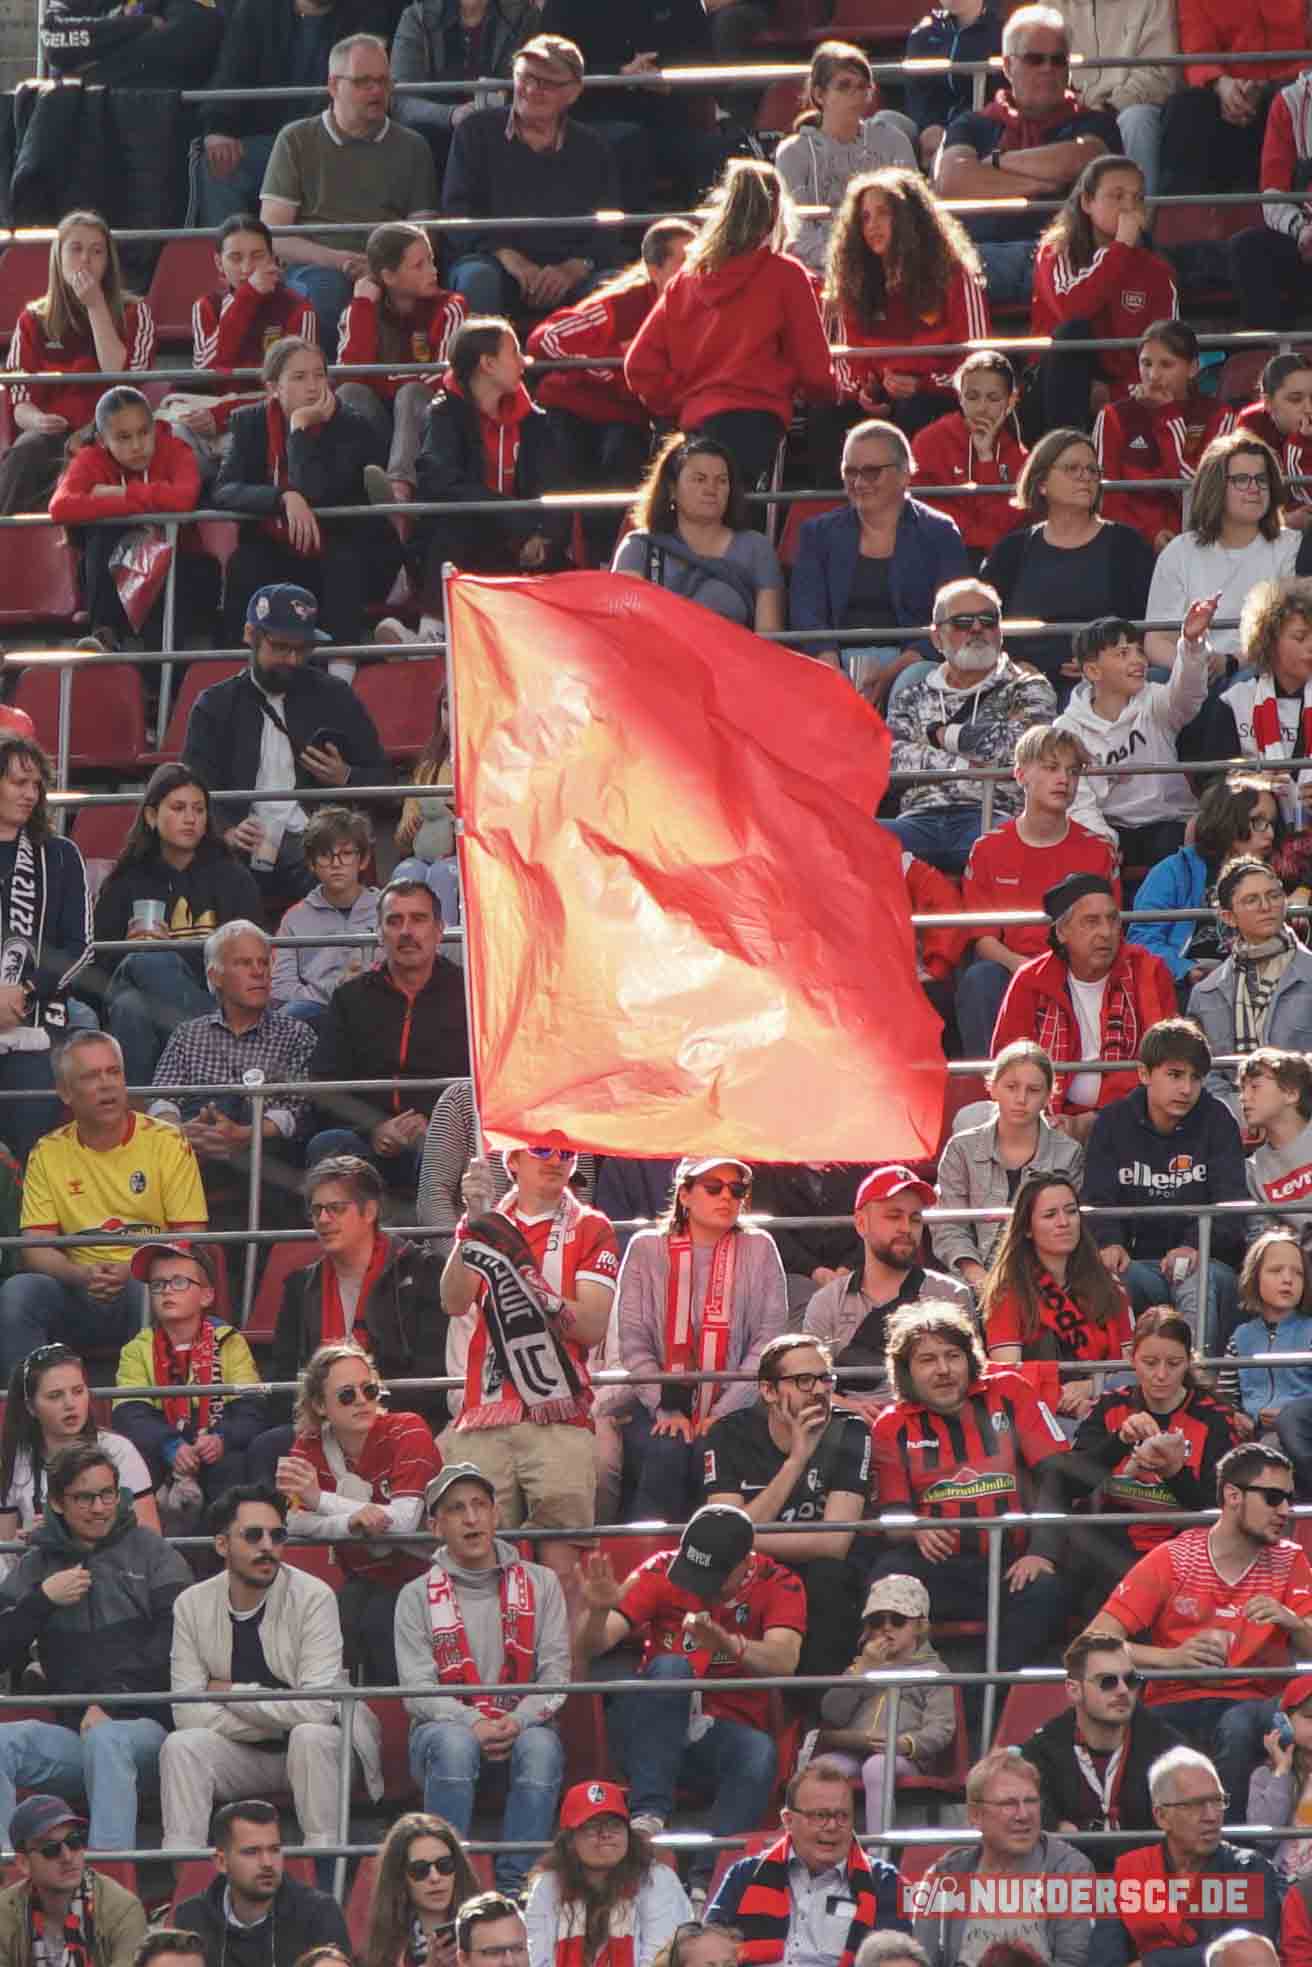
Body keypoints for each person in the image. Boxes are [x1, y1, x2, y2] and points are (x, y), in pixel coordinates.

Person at [576, 1505, 806, 1896]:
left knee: (759, 1753)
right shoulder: (661, 1568)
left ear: (744, 1562)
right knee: (671, 1668)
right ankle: (647, 1818)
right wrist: (596, 1613)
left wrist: (730, 1645)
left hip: (714, 1738)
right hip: (649, 1726)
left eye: (711, 1576)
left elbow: (785, 1660)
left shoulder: (779, 1582)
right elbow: (592, 1645)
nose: (697, 1585)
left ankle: (709, 1882)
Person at [160, 1482, 383, 1854]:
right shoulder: (191, 1605)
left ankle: (325, 1877)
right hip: (247, 1752)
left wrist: (232, 1694)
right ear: (221, 1545)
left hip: (326, 1748)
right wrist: (269, 1723)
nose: (267, 1546)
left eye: (277, 1535)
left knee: (309, 1736)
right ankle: (185, 1891)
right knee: (181, 1746)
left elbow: (318, 1708)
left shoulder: (314, 1597)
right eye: (252, 1535)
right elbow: (187, 1713)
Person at [1087, 1442, 1312, 1809]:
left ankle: (1235, 1852)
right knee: (1141, 1735)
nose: (1285, 1511)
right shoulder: (1174, 1557)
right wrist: (1170, 1658)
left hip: (1257, 1704)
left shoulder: (1291, 1559)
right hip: (1175, 1700)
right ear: (1233, 1496)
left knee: (1239, 1724)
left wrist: (1294, 1624)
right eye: (1273, 1498)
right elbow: (1092, 1646)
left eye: (1288, 1498)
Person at [440, 1141, 617, 1604]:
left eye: (567, 1152)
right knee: (477, 1568)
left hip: (558, 1417)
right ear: (511, 1161)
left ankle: (565, 1679)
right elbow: (453, 1300)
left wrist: (526, 1282)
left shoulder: (592, 1226)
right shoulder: (485, 1221)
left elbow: (594, 1324)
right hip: (487, 1412)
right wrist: (471, 1227)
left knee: (563, 1573)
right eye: (542, 1149)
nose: (557, 1161)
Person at [0, 1441, 191, 1850]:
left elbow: (177, 1641)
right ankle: (7, 1886)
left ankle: (110, 1890)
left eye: (108, 1494)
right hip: (75, 1737)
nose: (101, 1507)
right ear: (56, 1503)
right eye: (85, 1497)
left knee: (107, 1740)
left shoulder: (151, 1551)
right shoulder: (37, 1565)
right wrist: (41, 1602)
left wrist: (112, 1701)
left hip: (150, 1732)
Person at [396, 1462, 569, 1895]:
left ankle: (517, 1886)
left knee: (542, 1745)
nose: (471, 1518)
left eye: (479, 1506)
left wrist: (521, 1719)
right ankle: (448, 1883)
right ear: (437, 1527)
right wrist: (471, 1723)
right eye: (456, 1509)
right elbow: (417, 1693)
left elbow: (556, 1674)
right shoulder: (415, 1596)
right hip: (444, 1737)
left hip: (522, 1730)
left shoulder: (543, 1583)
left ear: (496, 1515)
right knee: (455, 1745)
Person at [869, 1303, 1073, 1668]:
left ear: (971, 1359)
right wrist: (916, 1529)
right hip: (940, 1568)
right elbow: (892, 1512)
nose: (944, 1370)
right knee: (886, 1577)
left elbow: (1056, 1475)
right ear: (906, 1372)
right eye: (927, 1360)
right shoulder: (891, 1425)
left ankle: (986, 1695)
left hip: (1011, 1563)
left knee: (1048, 1590)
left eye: (953, 1356)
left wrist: (1041, 1552)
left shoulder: (1011, 1391)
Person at [0, 1031, 206, 1379]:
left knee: (152, 1287)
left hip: (144, 1283)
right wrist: (79, 1274)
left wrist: (132, 1268)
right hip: (75, 1288)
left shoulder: (168, 1142)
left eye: (114, 1073)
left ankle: (150, 1407)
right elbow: (35, 1248)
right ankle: (28, 1414)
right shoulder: (47, 1152)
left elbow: (191, 1235)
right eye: (91, 1077)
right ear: (66, 1093)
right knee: (20, 1292)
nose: (107, 1085)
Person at [624, 157, 835, 491]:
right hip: (757, 422)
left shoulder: (686, 280)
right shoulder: (786, 274)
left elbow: (639, 365)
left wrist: (680, 401)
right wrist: (824, 395)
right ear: (776, 214)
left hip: (694, 426)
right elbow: (816, 371)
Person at [182, 583, 391, 906]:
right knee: (222, 879)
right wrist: (225, 832)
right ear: (250, 635)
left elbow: (385, 781)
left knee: (328, 865)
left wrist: (346, 777)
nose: (292, 659)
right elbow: (193, 788)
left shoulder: (335, 696)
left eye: (302, 649)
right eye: (280, 647)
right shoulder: (215, 705)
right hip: (242, 843)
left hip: (316, 840)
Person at [254, 1155, 452, 1484]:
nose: (323, 1219)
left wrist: (360, 1410)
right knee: (265, 1447)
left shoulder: (422, 1272)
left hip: (398, 1416)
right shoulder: (301, 1286)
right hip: (322, 1422)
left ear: (369, 1211)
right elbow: (286, 1371)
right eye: (317, 1210)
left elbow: (432, 1372)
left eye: (336, 1209)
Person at [616, 1156, 788, 1523]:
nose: (727, 1197)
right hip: (656, 1406)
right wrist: (666, 1409)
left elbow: (768, 1342)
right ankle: (647, 1567)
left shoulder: (760, 1247)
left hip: (739, 1407)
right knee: (667, 1450)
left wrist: (722, 1412)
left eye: (737, 1190)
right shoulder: (646, 1248)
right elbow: (632, 1343)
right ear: (684, 1195)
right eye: (713, 1188)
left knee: (711, 1450)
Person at [214, 335, 406, 657]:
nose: (314, 386)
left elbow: (316, 493)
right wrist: (283, 498)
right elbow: (224, 490)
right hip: (279, 544)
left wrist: (300, 429)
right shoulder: (248, 422)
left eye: (319, 375)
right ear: (273, 387)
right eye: (300, 377)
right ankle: (236, 662)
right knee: (246, 563)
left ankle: (343, 665)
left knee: (341, 557)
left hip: (341, 543)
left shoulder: (351, 426)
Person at [701, 1330, 872, 1677]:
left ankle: (814, 1714)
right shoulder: (728, 1434)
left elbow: (834, 1542)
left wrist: (745, 1537)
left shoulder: (850, 1431)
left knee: (831, 1576)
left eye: (826, 1379)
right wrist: (797, 1460)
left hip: (817, 1572)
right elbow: (724, 1539)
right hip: (747, 1573)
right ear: (768, 1390)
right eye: (804, 1380)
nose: (821, 1390)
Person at [526, 219, 695, 564]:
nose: (695, 273)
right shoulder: (622, 304)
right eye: (685, 263)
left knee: (625, 458)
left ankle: (606, 563)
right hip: (572, 404)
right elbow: (546, 338)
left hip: (627, 414)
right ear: (653, 269)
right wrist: (616, 369)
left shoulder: (701, 309)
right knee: (572, 460)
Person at [148, 919, 317, 1262]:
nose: (259, 972)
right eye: (244, 963)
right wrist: (182, 1132)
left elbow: (299, 1109)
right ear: (215, 977)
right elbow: (162, 1099)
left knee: (254, 1112)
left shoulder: (297, 1034)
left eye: (263, 963)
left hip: (264, 1153)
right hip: (194, 1151)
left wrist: (246, 1133)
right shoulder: (188, 1034)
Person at [259, 33, 439, 352]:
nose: (376, 91)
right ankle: (332, 390)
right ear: (333, 86)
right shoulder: (296, 140)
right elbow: (274, 235)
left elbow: (425, 233)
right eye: (363, 82)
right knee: (327, 291)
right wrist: (339, 261)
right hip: (317, 267)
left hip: (392, 269)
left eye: (384, 81)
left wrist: (385, 270)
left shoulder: (413, 146)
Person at [932, 3, 1119, 307]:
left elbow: (1081, 160)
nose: (1048, 68)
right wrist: (1046, 184)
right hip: (985, 256)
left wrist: (995, 163)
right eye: (1034, 59)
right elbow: (952, 181)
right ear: (1007, 66)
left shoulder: (1095, 122)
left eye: (1058, 60)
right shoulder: (973, 124)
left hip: (1071, 257)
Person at [277, 1339, 440, 1682]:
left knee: (381, 1620)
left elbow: (406, 1520)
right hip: (362, 1576)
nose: (363, 1401)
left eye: (369, 1389)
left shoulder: (408, 1428)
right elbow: (295, 1521)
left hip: (423, 1572)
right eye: (347, 1395)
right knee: (334, 1622)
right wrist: (349, 1522)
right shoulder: (306, 1445)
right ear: (321, 1405)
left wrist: (321, 1501)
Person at [91, 764, 263, 1087]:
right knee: (130, 1001)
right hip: (151, 1006)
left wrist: (156, 960)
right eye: (179, 808)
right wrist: (126, 950)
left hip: (213, 1000)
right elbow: (98, 971)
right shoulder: (125, 882)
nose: (191, 818)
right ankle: (210, 1058)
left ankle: (144, 1114)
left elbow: (251, 957)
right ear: (151, 816)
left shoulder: (233, 878)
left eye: (199, 810)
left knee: (140, 985)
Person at [956, 725, 1117, 1058]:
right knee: (980, 978)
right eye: (1050, 767)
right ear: (1020, 774)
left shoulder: (1098, 850)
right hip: (1011, 967)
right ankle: (993, 1088)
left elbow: (1107, 931)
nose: (1064, 779)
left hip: (1077, 967)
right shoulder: (987, 849)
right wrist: (1025, 968)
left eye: (1072, 772)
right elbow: (983, 940)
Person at [881, 577, 1057, 875]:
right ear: (937, 638)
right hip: (917, 818)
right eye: (962, 622)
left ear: (1000, 632)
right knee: (846, 841)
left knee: (1016, 848)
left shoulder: (1029, 688)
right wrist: (968, 761)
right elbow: (892, 758)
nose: (977, 629)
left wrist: (940, 737)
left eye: (987, 620)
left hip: (993, 814)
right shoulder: (912, 695)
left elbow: (1025, 751)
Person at [1084, 1015, 1247, 1332]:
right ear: (1144, 1073)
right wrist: (1109, 1243)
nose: (1186, 1088)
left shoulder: (1219, 1120)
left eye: (1195, 1078)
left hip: (1206, 1267)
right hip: (1136, 1265)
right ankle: (1120, 1380)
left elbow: (1232, 1208)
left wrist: (1194, 1247)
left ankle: (1196, 1377)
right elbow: (1095, 1200)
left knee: (1195, 1280)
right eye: (1174, 1075)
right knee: (1103, 1277)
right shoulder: (1112, 1122)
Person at [441, 33, 619, 319]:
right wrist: (509, 257)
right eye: (525, 77)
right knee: (477, 277)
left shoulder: (593, 147)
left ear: (573, 92)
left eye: (546, 83)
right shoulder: (475, 132)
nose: (531, 89)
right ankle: (480, 363)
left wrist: (574, 268)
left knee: (612, 287)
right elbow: (457, 214)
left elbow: (609, 227)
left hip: (567, 271)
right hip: (495, 262)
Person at [990, 872, 1179, 1141]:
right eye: (1091, 922)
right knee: (971, 1117)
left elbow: (1164, 1058)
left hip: (1132, 1113)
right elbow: (1007, 1062)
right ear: (1062, 932)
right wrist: (1047, 1116)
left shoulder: (1148, 971)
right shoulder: (1032, 979)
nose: (1106, 932)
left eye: (1112, 920)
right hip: (1045, 1115)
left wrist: (1096, 1119)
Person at [307, 877, 470, 1187]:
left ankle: (437, 1235)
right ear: (380, 934)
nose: (407, 931)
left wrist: (434, 1124)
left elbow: (483, 1086)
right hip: (366, 1140)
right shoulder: (350, 998)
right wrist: (374, 1128)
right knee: (328, 1144)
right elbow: (324, 1087)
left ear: (439, 930)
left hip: (443, 1137)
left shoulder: (470, 994)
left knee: (449, 1147)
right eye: (395, 921)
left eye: (419, 919)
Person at [788, 420, 969, 689]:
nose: (859, 482)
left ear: (905, 474)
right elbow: (807, 613)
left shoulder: (940, 532)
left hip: (913, 663)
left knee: (912, 683)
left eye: (872, 472)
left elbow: (953, 616)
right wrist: (831, 669)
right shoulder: (817, 533)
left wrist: (892, 673)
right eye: (850, 472)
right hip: (833, 660)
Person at [981, 428, 1157, 697]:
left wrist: (1103, 660)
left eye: (1092, 470)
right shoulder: (1012, 551)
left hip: (1103, 683)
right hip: (1023, 681)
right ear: (1042, 483)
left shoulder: (1126, 545)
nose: (1084, 477)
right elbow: (984, 623)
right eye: (1072, 468)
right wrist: (1014, 665)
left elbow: (1146, 625)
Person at [0, 211, 155, 515]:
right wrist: (37, 420)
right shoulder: (33, 318)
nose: (85, 259)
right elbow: (20, 398)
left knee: (86, 467)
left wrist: (96, 306)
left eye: (97, 251)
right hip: (50, 434)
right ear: (58, 256)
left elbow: (122, 380)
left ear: (108, 261)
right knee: (26, 453)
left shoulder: (136, 312)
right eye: (76, 249)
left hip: (111, 435)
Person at [411, 315, 570, 610]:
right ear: (488, 364)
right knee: (451, 527)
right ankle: (432, 627)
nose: (525, 362)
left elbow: (554, 487)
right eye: (514, 353)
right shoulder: (444, 414)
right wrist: (516, 522)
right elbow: (439, 480)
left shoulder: (534, 420)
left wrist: (541, 536)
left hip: (519, 546)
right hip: (469, 539)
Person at [1071, 1307, 1242, 1579]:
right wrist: (1120, 1440)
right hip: (1111, 1552)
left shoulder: (1215, 1419)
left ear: (1188, 1361)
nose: (1161, 1375)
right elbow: (1071, 1482)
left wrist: (1174, 1473)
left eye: (1173, 1364)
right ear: (1132, 1359)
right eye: (1150, 1363)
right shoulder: (1111, 1405)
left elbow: (1223, 1510)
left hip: (1189, 1555)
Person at [825, 166, 992, 444]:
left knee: (915, 409)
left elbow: (980, 364)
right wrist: (866, 391)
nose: (872, 226)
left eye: (883, 213)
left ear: (909, 218)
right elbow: (846, 365)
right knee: (827, 412)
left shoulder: (955, 275)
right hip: (881, 401)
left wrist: (922, 385)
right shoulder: (853, 281)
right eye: (864, 218)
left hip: (938, 398)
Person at [48, 387, 220, 652]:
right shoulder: (90, 458)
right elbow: (60, 507)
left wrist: (119, 494)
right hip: (115, 576)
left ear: (154, 427)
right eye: (124, 437)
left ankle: (162, 685)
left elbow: (183, 498)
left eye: (144, 433)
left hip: (178, 571)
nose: (138, 445)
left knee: (171, 576)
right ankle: (104, 635)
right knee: (103, 533)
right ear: (104, 441)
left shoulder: (176, 449)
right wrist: (147, 505)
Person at [197, 0, 391, 230]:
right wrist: (218, 128)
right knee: (216, 163)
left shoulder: (370, 13)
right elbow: (231, 69)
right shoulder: (256, 9)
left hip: (332, 145)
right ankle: (236, 257)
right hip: (269, 144)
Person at [114, 1240, 267, 1523]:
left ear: (207, 1296)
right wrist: (170, 1446)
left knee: (234, 1469)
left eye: (179, 1282)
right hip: (164, 1448)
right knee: (134, 1465)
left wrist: (222, 1439)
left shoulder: (230, 1342)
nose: (167, 1290)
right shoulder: (137, 1349)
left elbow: (252, 1410)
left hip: (217, 1447)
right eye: (158, 1284)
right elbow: (129, 1414)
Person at [1089, 1747, 1283, 1967]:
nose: (1211, 1816)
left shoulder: (1249, 1868)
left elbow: (1248, 1957)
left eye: (1217, 1801)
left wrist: (1151, 1964)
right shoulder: (1130, 1872)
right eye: (1196, 1805)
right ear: (1162, 1816)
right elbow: (1102, 1961)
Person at [804, 1164, 972, 1413]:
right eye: (894, 1216)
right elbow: (806, 1384)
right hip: (849, 1430)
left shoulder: (952, 1296)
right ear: (861, 1223)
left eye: (915, 1219)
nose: (906, 1227)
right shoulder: (826, 1301)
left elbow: (968, 1382)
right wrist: (850, 1408)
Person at [1058, 601, 1217, 864]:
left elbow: (1189, 694)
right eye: (1122, 654)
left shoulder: (1154, 701)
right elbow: (1079, 803)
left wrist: (1192, 643)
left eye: (1139, 652)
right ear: (1092, 670)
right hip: (1109, 827)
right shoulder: (1067, 728)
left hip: (1169, 821)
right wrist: (1103, 843)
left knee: (1172, 849)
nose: (1138, 661)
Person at [1030, 156, 1178, 435]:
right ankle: (1064, 452)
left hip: (1125, 392)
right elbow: (1071, 311)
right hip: (1052, 390)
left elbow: (1169, 346)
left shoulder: (1157, 270)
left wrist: (1113, 393)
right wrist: (1119, 248)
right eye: (1116, 196)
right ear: (1087, 202)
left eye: (1137, 197)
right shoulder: (1056, 252)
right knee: (1073, 331)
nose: (1128, 206)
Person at [910, 1750, 1095, 1967]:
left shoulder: (1070, 1870)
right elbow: (923, 1961)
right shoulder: (944, 1875)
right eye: (1008, 1804)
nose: (1023, 1815)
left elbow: (1073, 1962)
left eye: (1031, 1801)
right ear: (975, 1815)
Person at [0, 735, 92, 1159]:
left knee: (28, 1161)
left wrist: (25, 989)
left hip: (35, 1028)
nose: (30, 794)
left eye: (36, 784)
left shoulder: (59, 854)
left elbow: (81, 948)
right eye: (19, 782)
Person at [1022, 1632, 1186, 1866]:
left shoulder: (1168, 1748)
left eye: (1130, 1680)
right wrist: (1052, 1825)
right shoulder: (1043, 1750)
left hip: (1150, 1884)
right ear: (1074, 1690)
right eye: (1107, 1682)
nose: (1122, 1691)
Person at [981, 1172, 1133, 1420]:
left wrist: (1089, 1387)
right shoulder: (1006, 1293)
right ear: (1027, 1229)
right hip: (1040, 1416)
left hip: (1109, 1408)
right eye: (1050, 1215)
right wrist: (1058, 1397)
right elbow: (1007, 1377)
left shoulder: (1110, 1286)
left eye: (1071, 1212)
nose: (1064, 1222)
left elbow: (1130, 1369)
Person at [810, 1577, 956, 1836]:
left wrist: (905, 1744)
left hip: (905, 1756)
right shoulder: (860, 1666)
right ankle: (818, 1847)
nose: (887, 1629)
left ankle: (878, 1854)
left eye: (898, 1620)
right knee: (820, 1770)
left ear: (920, 1626)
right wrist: (862, 1672)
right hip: (853, 1750)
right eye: (877, 1622)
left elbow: (941, 1729)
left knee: (877, 1766)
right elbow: (832, 1713)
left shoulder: (934, 1671)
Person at [1145, 435, 1299, 676]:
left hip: (1253, 667)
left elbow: (1288, 633)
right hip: (1191, 668)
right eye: (1241, 480)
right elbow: (1156, 640)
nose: (1255, 488)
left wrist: (1230, 662)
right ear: (1215, 486)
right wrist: (1197, 666)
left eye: (1261, 479)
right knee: (1155, 678)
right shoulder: (1179, 551)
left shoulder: (1290, 545)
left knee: (1252, 680)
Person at [336, 222, 467, 505]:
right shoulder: (358, 310)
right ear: (389, 276)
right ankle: (362, 487)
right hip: (381, 426)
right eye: (419, 265)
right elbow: (349, 376)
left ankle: (399, 493)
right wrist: (364, 308)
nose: (433, 271)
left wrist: (383, 379)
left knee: (412, 394)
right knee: (349, 394)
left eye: (431, 260)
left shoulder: (451, 307)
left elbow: (439, 379)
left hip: (432, 428)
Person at [0, 1342, 159, 1572]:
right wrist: (24, 1542)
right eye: (55, 1396)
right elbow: (4, 1560)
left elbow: (151, 1545)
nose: (70, 1404)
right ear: (31, 1407)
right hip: (38, 1581)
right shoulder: (14, 1459)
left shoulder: (119, 1451)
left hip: (113, 1578)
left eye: (78, 1391)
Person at [706, 1754, 904, 1936]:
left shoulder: (886, 1882)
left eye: (842, 1816)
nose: (833, 1826)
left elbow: (897, 1957)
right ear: (788, 1821)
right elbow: (711, 1946)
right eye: (820, 1816)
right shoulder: (744, 1874)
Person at [180, 215, 320, 473]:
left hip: (268, 417)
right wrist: (247, 299)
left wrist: (225, 416)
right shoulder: (206, 306)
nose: (246, 268)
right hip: (216, 408)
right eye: (235, 258)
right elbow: (208, 368)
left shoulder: (298, 308)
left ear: (272, 259)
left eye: (257, 256)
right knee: (176, 426)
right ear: (218, 263)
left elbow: (296, 391)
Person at [936, 1046, 1084, 1286]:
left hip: (1047, 1281)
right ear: (993, 1088)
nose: (1021, 1099)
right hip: (972, 1280)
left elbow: (1068, 1230)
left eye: (1033, 1090)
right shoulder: (961, 1148)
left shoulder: (1069, 1153)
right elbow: (949, 1226)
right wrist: (978, 1277)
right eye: (1011, 1087)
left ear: (1049, 1096)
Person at [1128, 773, 1283, 999]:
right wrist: (1185, 969)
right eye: (1258, 822)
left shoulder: (1276, 874)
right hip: (1188, 986)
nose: (1270, 834)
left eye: (1272, 823)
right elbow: (1141, 941)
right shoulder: (1174, 870)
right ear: (1229, 819)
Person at [612, 435, 785, 634]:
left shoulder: (757, 548)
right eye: (699, 479)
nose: (711, 489)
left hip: (730, 662)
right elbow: (625, 630)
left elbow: (769, 641)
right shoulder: (638, 547)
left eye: (721, 481)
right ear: (672, 489)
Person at [774, 43, 916, 278]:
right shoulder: (792, 153)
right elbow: (797, 234)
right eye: (844, 86)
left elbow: (913, 216)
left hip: (891, 270)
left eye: (862, 87)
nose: (856, 95)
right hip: (822, 275)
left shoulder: (893, 141)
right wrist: (849, 264)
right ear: (819, 94)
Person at [1095, 321, 1234, 553]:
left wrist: (1166, 415)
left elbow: (1197, 486)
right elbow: (1105, 496)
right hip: (1129, 544)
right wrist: (1148, 533)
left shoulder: (1219, 415)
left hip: (1200, 544)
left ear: (1193, 368)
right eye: (1145, 363)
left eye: (1166, 365)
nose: (1153, 375)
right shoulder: (1112, 416)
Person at [1188, 859, 1312, 1114]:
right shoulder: (1206, 993)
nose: (1266, 907)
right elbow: (1205, 1076)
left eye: (1274, 895)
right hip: (1233, 1127)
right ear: (1228, 917)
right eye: (1252, 900)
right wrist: (1239, 1115)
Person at [525, 1781, 692, 1967]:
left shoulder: (657, 1879)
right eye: (592, 1826)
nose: (605, 1834)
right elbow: (536, 1959)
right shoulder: (547, 1885)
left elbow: (661, 1960)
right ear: (570, 1840)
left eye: (615, 1825)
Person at [173, 1799, 352, 1967]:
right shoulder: (191, 1918)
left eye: (274, 1850)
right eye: (251, 1852)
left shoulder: (319, 1913)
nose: (267, 1862)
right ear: (221, 1862)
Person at [0, 1794, 146, 1967]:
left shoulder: (123, 1910)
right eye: (51, 1849)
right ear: (24, 1864)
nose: (67, 1856)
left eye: (74, 1841)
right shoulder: (4, 1914)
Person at [910, 350, 1028, 565]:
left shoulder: (1018, 455)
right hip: (941, 553)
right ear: (960, 398)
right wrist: (978, 536)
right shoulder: (929, 441)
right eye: (972, 397)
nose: (982, 407)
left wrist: (986, 458)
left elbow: (1004, 523)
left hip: (993, 561)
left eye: (993, 398)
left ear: (1011, 402)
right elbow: (922, 511)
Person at [390, 0, 535, 171]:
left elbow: (533, 93)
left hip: (503, 144)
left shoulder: (523, 16)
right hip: (431, 149)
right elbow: (401, 103)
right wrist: (451, 115)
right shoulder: (417, 17)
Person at [271, 805, 379, 1025]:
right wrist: (334, 992)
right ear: (311, 864)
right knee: (286, 1018)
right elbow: (281, 989)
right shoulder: (294, 917)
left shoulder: (389, 909)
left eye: (346, 854)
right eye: (325, 856)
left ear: (364, 860)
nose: (336, 864)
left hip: (380, 1003)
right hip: (317, 1010)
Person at [1058, 0, 1178, 198]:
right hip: (1073, 111)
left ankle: (1139, 222)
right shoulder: (1051, 4)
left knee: (1137, 120)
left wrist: (1111, 106)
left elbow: (1159, 73)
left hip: (1128, 106)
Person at [362, 1810, 481, 1967]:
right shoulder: (387, 1946)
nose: (435, 1877)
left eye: (444, 1865)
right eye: (420, 1870)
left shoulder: (484, 1927)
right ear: (399, 1878)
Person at [1221, 1231, 1312, 1431]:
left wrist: (1293, 1414)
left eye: (1298, 1273)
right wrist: (1236, 1416)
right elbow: (1225, 1398)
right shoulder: (1241, 1336)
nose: (1288, 1279)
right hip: (1252, 1433)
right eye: (1276, 1270)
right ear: (1255, 1277)